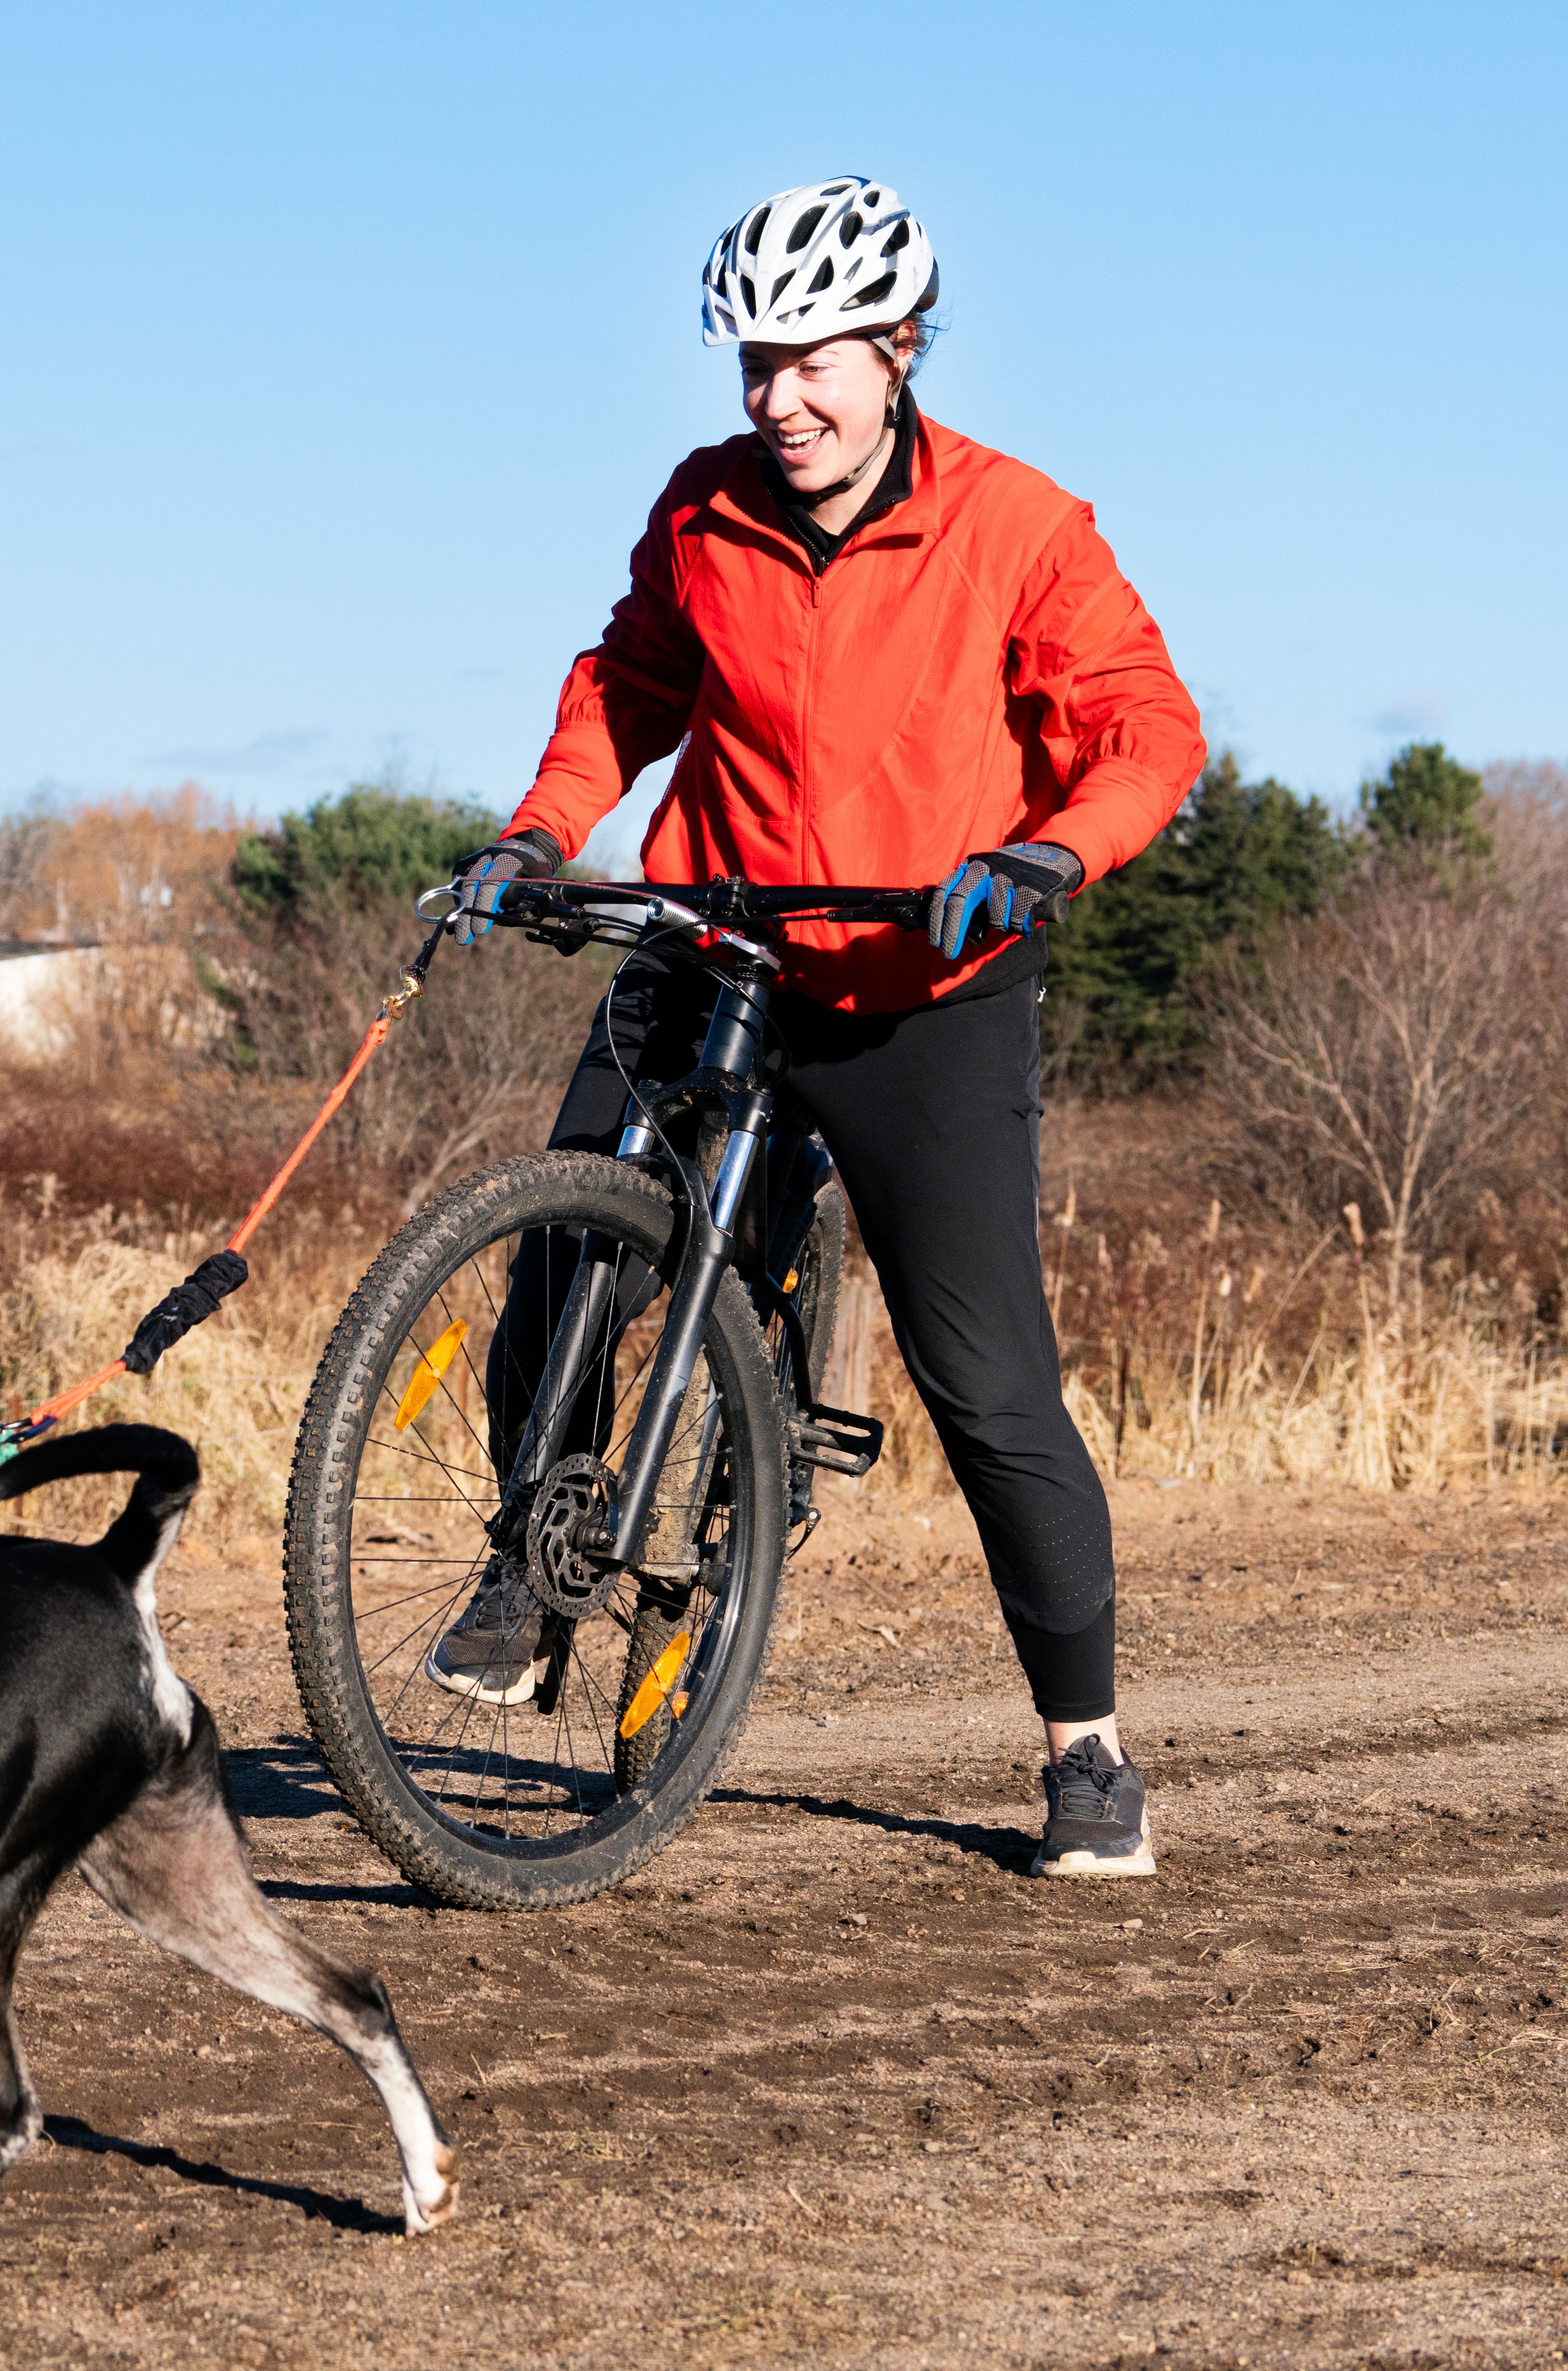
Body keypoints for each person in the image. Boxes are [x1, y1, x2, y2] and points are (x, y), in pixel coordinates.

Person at [427, 176, 1203, 1880]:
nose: (780, 398)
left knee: (986, 1380)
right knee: (564, 1250)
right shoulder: (705, 510)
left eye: (814, 361)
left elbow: (1147, 728)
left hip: (924, 980)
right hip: (716, 941)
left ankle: (1086, 1750)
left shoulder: (1016, 524)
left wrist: (1051, 852)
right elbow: (629, 685)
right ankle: (533, 1564)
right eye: (755, 364)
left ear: (899, 349)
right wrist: (539, 832)